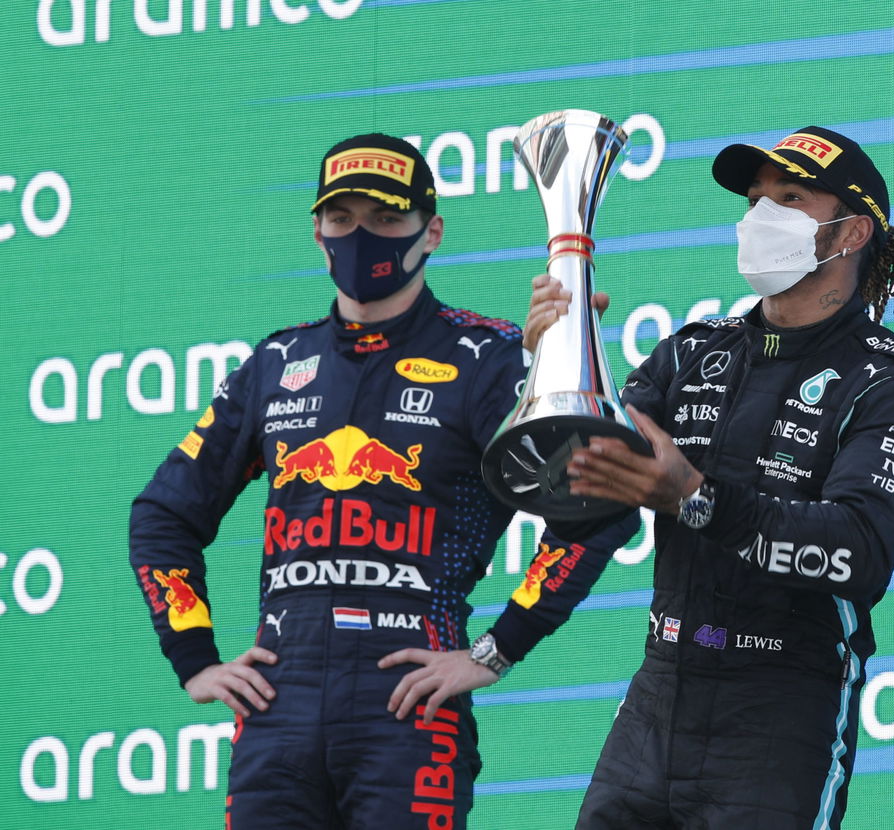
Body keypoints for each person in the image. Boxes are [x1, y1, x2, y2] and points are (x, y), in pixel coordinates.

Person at [130, 132, 630, 829]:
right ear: (317, 231)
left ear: (433, 232)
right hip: (278, 705)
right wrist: (193, 656)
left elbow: (600, 507)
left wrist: (495, 649)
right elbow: (162, 515)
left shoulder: (485, 360)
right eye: (343, 219)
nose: (362, 237)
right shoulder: (278, 363)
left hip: (408, 707)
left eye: (387, 219)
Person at [525, 126, 894, 828]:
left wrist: (694, 498)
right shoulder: (690, 353)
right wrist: (556, 369)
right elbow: (574, 497)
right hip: (658, 691)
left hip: (781, 708)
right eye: (757, 199)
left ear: (850, 235)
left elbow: (858, 550)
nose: (761, 217)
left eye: (790, 198)